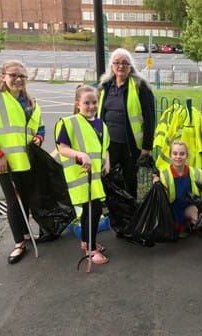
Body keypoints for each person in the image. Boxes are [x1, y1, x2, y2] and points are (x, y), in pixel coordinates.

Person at [0, 60, 45, 264]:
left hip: (27, 161)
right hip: (5, 163)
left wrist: (39, 138)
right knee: (14, 203)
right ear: (3, 76)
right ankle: (18, 244)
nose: (18, 79)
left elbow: (40, 127)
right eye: (13, 75)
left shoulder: (31, 102)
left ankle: (25, 234)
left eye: (22, 76)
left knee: (25, 200)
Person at [55, 85, 111, 265]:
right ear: (77, 104)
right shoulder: (69, 122)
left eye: (94, 102)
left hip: (94, 178)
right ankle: (91, 249)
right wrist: (80, 155)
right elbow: (62, 148)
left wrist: (106, 161)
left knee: (91, 212)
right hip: (81, 177)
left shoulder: (100, 123)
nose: (91, 106)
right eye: (87, 103)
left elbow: (105, 147)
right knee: (93, 211)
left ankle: (87, 242)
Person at [97, 48, 155, 199]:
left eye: (124, 63)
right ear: (112, 66)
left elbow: (149, 118)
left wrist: (146, 147)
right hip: (110, 145)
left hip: (131, 145)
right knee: (110, 179)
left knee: (130, 181)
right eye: (116, 63)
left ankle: (130, 215)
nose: (120, 66)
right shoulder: (105, 86)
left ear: (130, 67)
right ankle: (116, 214)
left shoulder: (140, 87)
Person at [154, 141, 202, 238]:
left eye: (182, 154)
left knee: (200, 221)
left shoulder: (196, 172)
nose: (178, 157)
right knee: (169, 231)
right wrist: (156, 183)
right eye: (175, 153)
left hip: (187, 206)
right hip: (171, 209)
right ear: (170, 155)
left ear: (187, 155)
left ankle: (187, 223)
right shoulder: (164, 174)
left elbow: (201, 194)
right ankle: (181, 225)